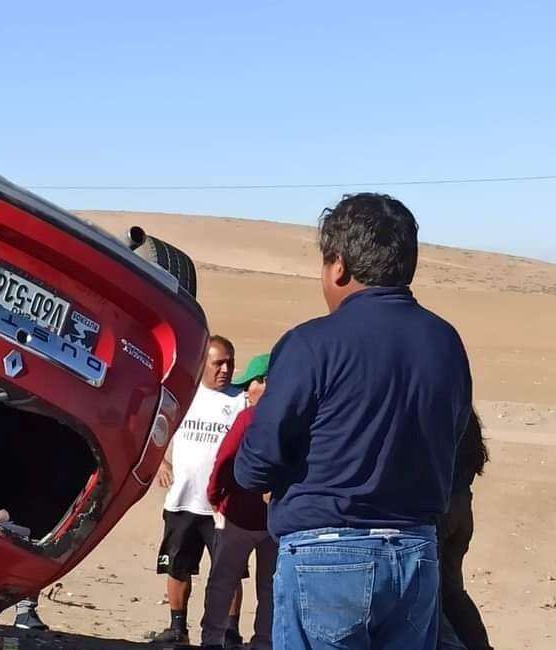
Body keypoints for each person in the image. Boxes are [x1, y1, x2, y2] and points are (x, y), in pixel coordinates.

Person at [234, 192, 472, 650]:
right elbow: (455, 440)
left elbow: (253, 465)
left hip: (324, 555)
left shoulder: (311, 344)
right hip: (415, 556)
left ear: (338, 266)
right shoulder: (445, 343)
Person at [153, 335, 247, 646]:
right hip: (182, 501)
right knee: (178, 567)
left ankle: (230, 632)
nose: (225, 370)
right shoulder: (184, 397)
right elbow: (156, 429)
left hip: (222, 507)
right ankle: (177, 628)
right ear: (203, 364)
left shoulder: (240, 400)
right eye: (218, 363)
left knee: (228, 572)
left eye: (230, 363)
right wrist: (161, 463)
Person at [201, 353, 276, 650]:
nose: (245, 392)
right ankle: (264, 642)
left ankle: (212, 639)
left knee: (223, 581)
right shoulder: (300, 418)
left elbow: (224, 459)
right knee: (270, 586)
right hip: (276, 519)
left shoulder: (248, 418)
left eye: (250, 384)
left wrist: (214, 495)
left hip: (240, 517)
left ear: (266, 382)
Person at [438, 407, 492, 650]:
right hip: (462, 509)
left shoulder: (436, 416)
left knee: (431, 597)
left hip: (442, 512)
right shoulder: (465, 419)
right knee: (451, 591)